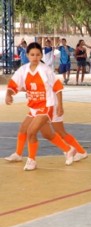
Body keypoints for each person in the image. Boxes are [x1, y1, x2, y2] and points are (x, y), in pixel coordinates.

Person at [5, 42, 76, 171]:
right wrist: (9, 94)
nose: (35, 57)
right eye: (32, 54)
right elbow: (13, 84)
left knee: (31, 131)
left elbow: (58, 88)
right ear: (27, 55)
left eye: (38, 55)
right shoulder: (23, 70)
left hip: (46, 106)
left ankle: (32, 161)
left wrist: (60, 105)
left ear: (41, 55)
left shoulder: (45, 70)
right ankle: (68, 149)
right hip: (33, 107)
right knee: (38, 132)